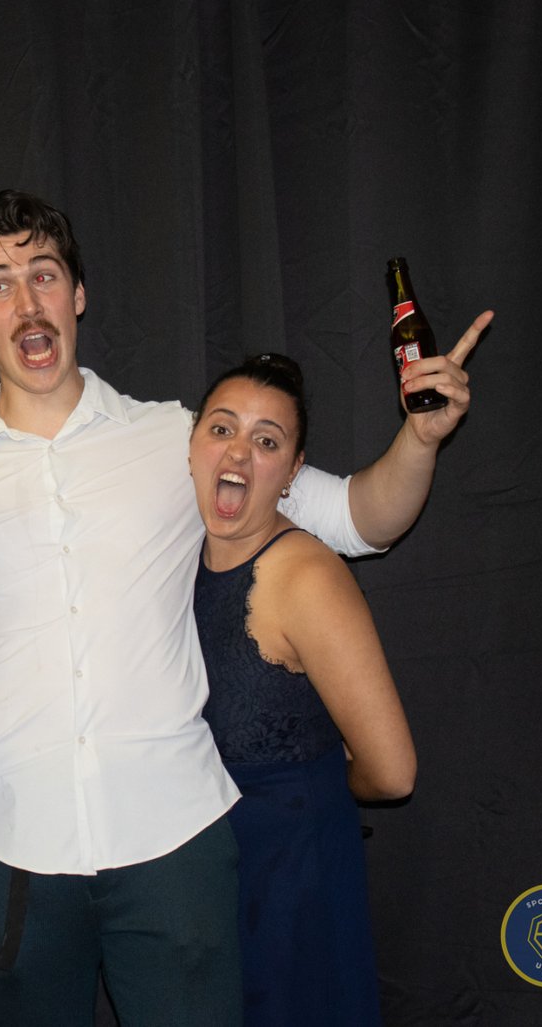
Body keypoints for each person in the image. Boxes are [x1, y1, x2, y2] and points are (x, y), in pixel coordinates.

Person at [0, 190, 490, 1024]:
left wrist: (421, 439)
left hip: (175, 843)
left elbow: (361, 519)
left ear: (78, 294)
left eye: (45, 274)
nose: (28, 301)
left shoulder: (178, 438)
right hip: (6, 847)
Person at [189, 353, 415, 1025]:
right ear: (192, 446)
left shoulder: (305, 576)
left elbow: (393, 771)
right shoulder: (175, 555)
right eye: (222, 428)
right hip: (205, 884)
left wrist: (318, 788)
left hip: (293, 886)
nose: (239, 452)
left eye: (266, 441)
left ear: (292, 471)